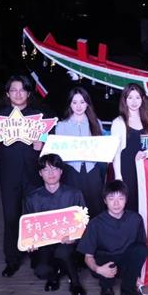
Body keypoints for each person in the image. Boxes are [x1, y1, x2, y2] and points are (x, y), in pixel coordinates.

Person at [0, 75, 43, 277]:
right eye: (13, 90)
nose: (18, 93)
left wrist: (41, 146)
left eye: (22, 90)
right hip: (9, 177)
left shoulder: (38, 117)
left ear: (28, 93)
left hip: (34, 175)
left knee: (34, 217)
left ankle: (37, 257)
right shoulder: (0, 118)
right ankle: (12, 260)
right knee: (11, 218)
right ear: (8, 94)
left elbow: (48, 146)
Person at [24, 154, 86, 295]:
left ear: (61, 171)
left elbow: (83, 222)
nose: (51, 173)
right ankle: (55, 274)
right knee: (41, 271)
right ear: (40, 173)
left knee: (63, 252)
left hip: (68, 243)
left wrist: (74, 237)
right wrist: (29, 242)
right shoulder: (32, 198)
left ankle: (75, 282)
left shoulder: (74, 194)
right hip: (45, 244)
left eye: (55, 169)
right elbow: (27, 227)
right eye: (46, 170)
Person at [77, 180, 148, 295]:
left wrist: (137, 275)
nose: (116, 203)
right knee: (104, 259)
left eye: (120, 198)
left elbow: (140, 248)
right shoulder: (96, 223)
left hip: (125, 263)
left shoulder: (135, 219)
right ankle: (106, 286)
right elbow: (88, 257)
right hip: (104, 262)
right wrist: (98, 269)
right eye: (111, 199)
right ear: (105, 201)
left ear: (126, 200)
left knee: (141, 249)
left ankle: (128, 287)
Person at [55, 87, 105, 217]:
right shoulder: (62, 126)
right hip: (71, 171)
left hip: (92, 171)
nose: (78, 106)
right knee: (73, 211)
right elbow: (58, 153)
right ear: (70, 104)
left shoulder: (96, 123)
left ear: (87, 103)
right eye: (75, 102)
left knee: (95, 208)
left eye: (82, 102)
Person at [111, 83, 148, 212]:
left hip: (144, 168)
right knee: (128, 204)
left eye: (137, 97)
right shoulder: (118, 122)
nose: (134, 102)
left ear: (143, 99)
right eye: (130, 97)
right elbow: (116, 153)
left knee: (144, 204)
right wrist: (118, 177)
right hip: (126, 168)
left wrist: (146, 154)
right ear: (125, 99)